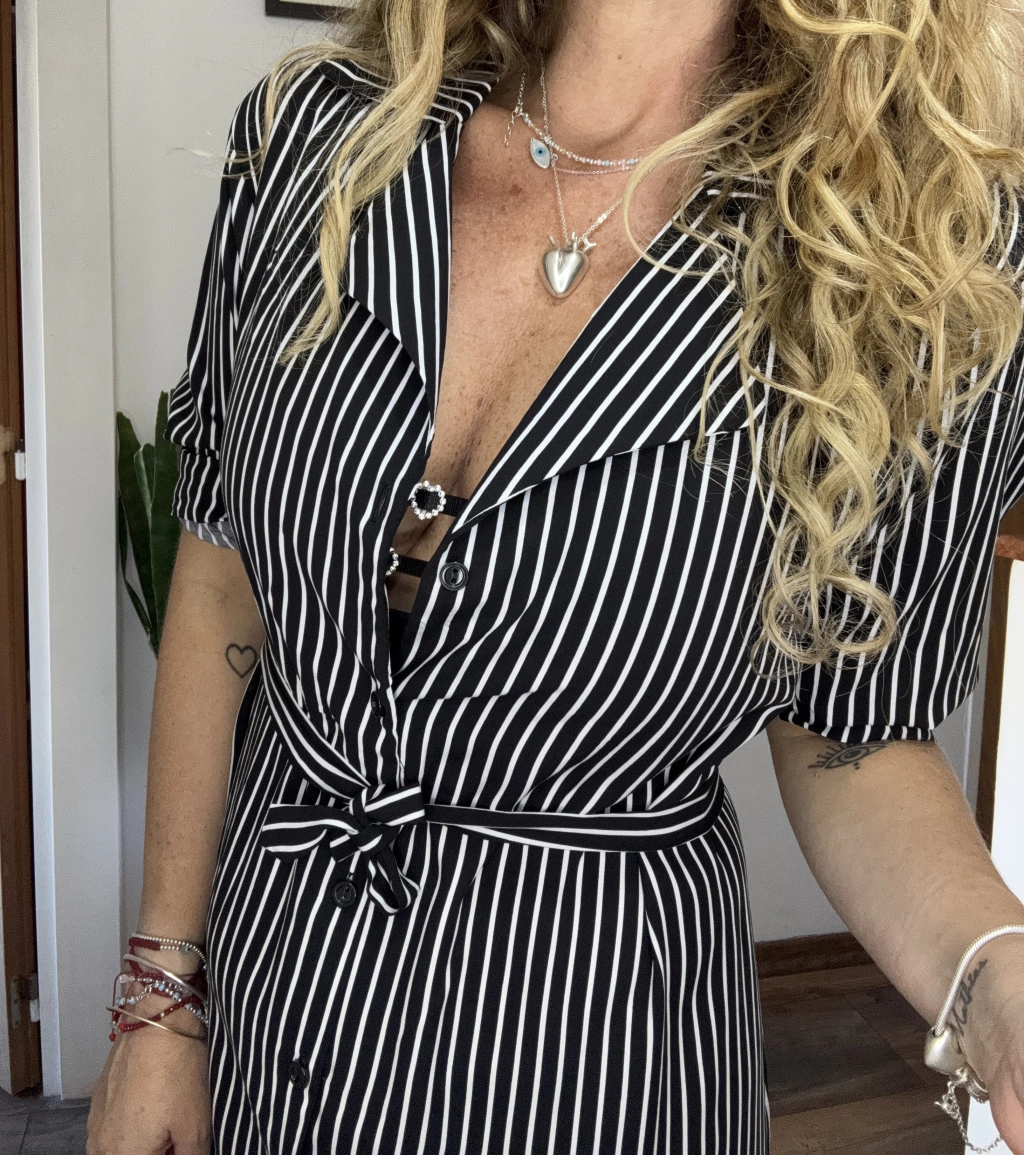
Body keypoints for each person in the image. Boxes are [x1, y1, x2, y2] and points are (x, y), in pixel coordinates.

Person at [87, 0, 1024, 1151]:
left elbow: (855, 734)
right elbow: (221, 571)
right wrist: (160, 998)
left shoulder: (923, 261)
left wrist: (997, 983)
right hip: (270, 1004)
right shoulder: (316, 139)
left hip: (595, 1053)